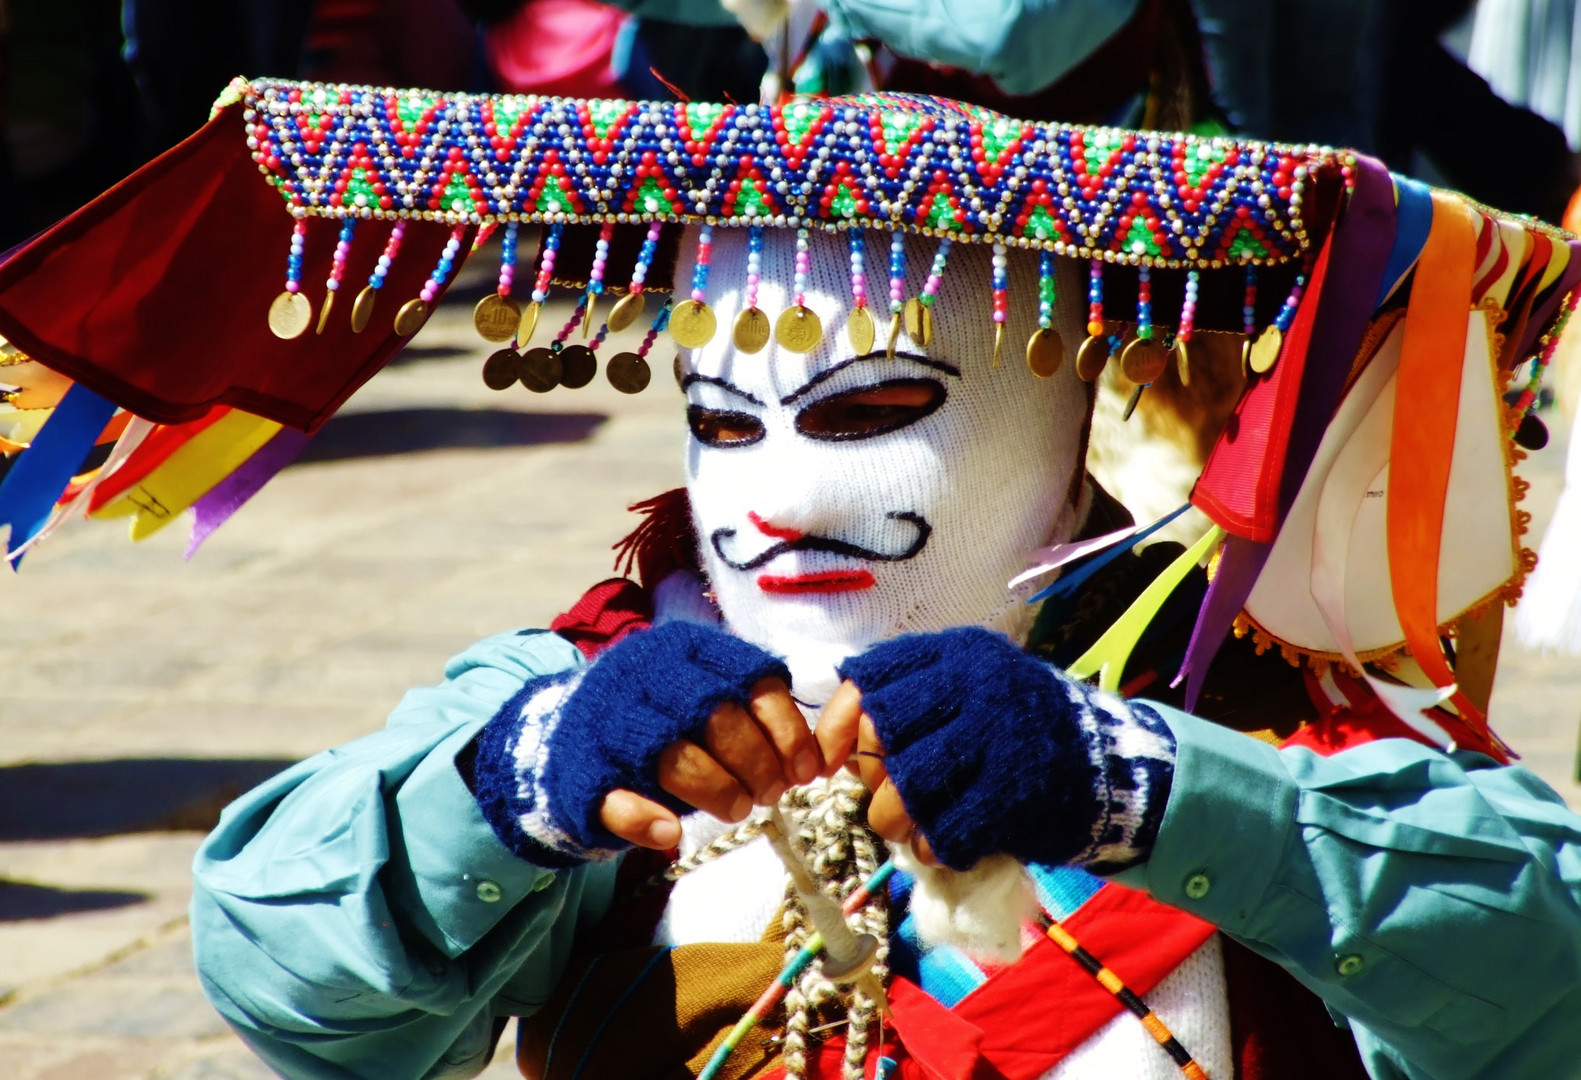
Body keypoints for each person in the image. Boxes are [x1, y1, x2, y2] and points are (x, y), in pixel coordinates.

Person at [1, 80, 1579, 1080]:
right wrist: (509, 786)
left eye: (878, 414)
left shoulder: (1244, 691)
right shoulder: (593, 697)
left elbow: (1547, 973)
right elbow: (284, 985)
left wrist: (1150, 790)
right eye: (718, 424)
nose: (775, 502)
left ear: (1055, 405)